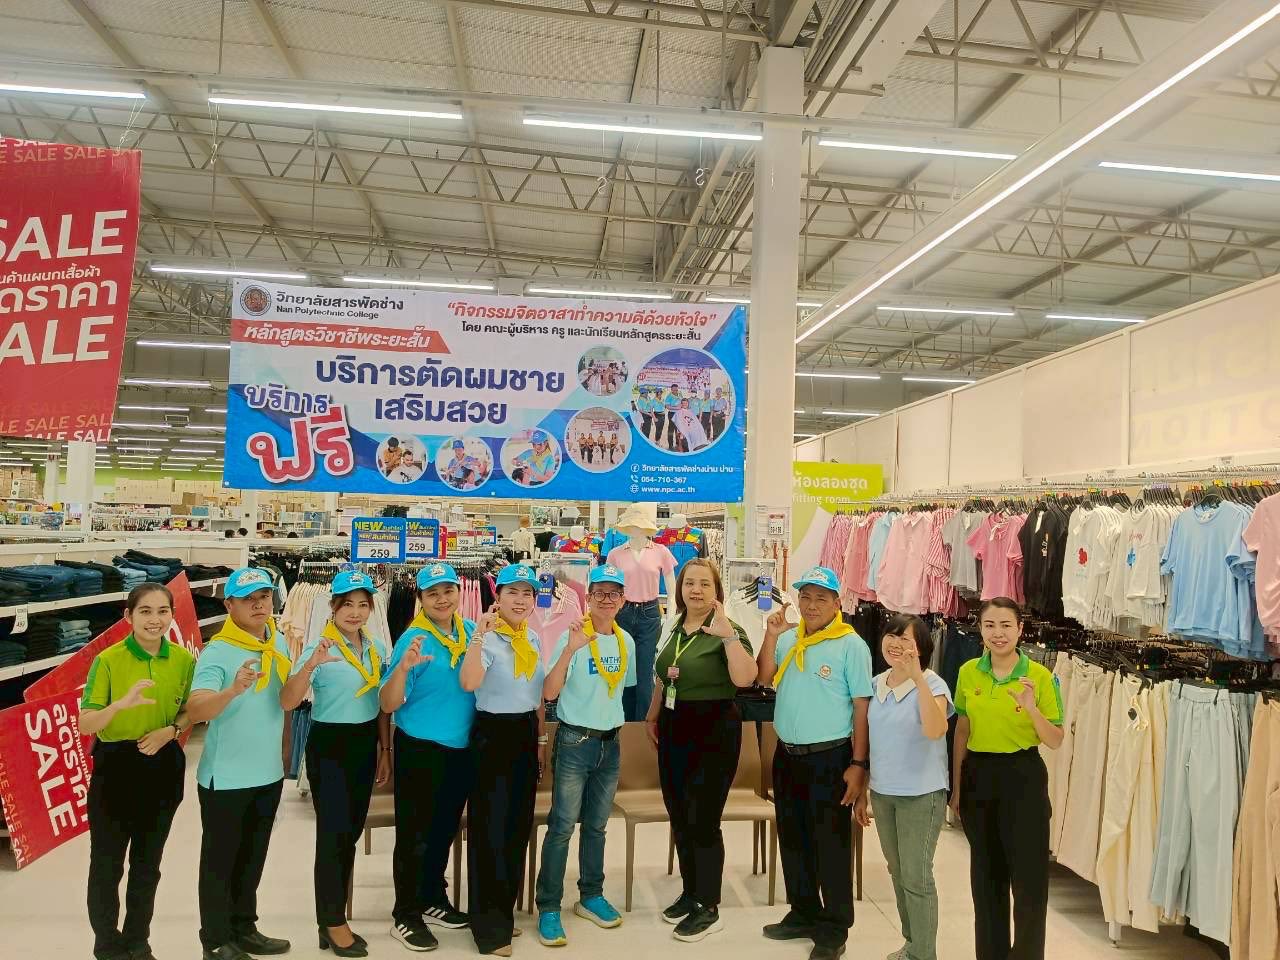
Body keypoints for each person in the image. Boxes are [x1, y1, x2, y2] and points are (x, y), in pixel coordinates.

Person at [755, 567, 872, 960]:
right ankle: (803, 911)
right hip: (787, 755)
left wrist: (859, 763)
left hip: (830, 758)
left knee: (830, 844)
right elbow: (764, 677)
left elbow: (861, 707)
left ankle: (834, 927)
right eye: (805, 596)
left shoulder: (851, 645)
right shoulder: (790, 638)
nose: (811, 605)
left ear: (837, 603)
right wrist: (771, 636)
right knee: (793, 837)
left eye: (821, 598)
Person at [280, 571, 391, 958]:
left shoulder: (375, 648)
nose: (355, 612)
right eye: (348, 605)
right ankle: (331, 921)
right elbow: (288, 700)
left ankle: (333, 918)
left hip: (365, 743)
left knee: (350, 834)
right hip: (330, 746)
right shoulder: (318, 646)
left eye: (363, 605)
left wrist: (385, 749)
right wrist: (311, 665)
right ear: (333, 607)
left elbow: (380, 704)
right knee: (332, 836)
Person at [81, 583, 195, 960]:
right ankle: (106, 942)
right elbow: (85, 722)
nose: (154, 620)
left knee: (148, 864)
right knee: (107, 862)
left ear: (172, 615)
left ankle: (137, 940)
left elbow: (189, 711)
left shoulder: (183, 660)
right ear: (128, 616)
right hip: (115, 765)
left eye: (163, 611)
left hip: (163, 763)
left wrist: (171, 731)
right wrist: (120, 705)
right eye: (145, 611)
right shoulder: (108, 660)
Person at [645, 558, 756, 942]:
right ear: (679, 589)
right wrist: (653, 713)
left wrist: (728, 638)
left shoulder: (728, 628)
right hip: (674, 726)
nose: (696, 590)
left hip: (713, 728)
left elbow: (745, 678)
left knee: (703, 818)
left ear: (716, 591)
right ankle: (691, 892)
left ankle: (708, 905)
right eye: (689, 583)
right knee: (679, 813)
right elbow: (665, 676)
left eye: (704, 584)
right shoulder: (675, 626)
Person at [185, 567, 293, 960]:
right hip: (226, 778)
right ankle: (215, 940)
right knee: (220, 862)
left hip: (268, 772)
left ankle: (244, 927)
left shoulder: (277, 640)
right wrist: (232, 690)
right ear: (229, 605)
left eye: (263, 596)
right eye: (248, 599)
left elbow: (283, 701)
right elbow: (197, 709)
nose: (259, 604)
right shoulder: (218, 651)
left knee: (252, 858)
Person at [951, 598, 1064, 960]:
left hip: (1023, 777)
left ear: (1020, 629)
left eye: (1005, 625)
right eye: (989, 625)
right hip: (978, 776)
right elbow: (962, 729)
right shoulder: (969, 671)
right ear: (980, 629)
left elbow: (1055, 739)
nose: (997, 633)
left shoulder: (1041, 677)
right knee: (986, 880)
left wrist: (1031, 708)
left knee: (1029, 882)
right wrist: (957, 786)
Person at [535, 564, 636, 946]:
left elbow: (620, 691)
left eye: (614, 593)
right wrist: (570, 650)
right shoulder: (572, 635)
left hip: (610, 745)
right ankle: (549, 905)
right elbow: (549, 692)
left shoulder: (626, 642)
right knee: (562, 826)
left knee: (597, 826)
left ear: (623, 600)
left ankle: (591, 895)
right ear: (588, 598)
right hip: (575, 743)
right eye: (600, 593)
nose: (607, 600)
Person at [379, 563, 477, 951]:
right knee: (414, 835)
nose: (442, 599)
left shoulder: (470, 632)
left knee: (443, 831)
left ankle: (433, 897)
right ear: (420, 599)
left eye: (448, 591)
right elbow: (388, 703)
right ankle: (406, 913)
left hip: (460, 748)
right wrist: (403, 669)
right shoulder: (414, 639)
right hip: (420, 747)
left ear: (458, 592)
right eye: (432, 593)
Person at [459, 564, 548, 956]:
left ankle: (503, 914)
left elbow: (537, 695)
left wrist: (540, 739)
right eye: (512, 592)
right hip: (492, 736)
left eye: (528, 593)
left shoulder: (532, 637)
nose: (521, 600)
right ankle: (487, 926)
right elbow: (469, 682)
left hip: (524, 734)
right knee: (489, 829)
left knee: (516, 827)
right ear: (497, 597)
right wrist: (479, 636)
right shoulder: (487, 638)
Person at [864, 614, 953, 960]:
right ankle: (912, 944)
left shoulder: (933, 684)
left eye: (906, 639)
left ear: (922, 648)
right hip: (883, 793)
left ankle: (924, 954)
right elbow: (869, 741)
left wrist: (917, 678)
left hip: (922, 795)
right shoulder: (875, 683)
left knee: (917, 876)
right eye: (892, 635)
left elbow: (935, 730)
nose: (896, 644)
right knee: (898, 871)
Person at [663, 385, 682, 451]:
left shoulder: (680, 394)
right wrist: (677, 408)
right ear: (671, 390)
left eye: (676, 390)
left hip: (679, 414)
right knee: (671, 430)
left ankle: (677, 444)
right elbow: (667, 406)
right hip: (672, 414)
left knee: (678, 429)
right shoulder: (669, 396)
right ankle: (670, 445)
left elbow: (682, 403)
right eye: (674, 390)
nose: (675, 391)